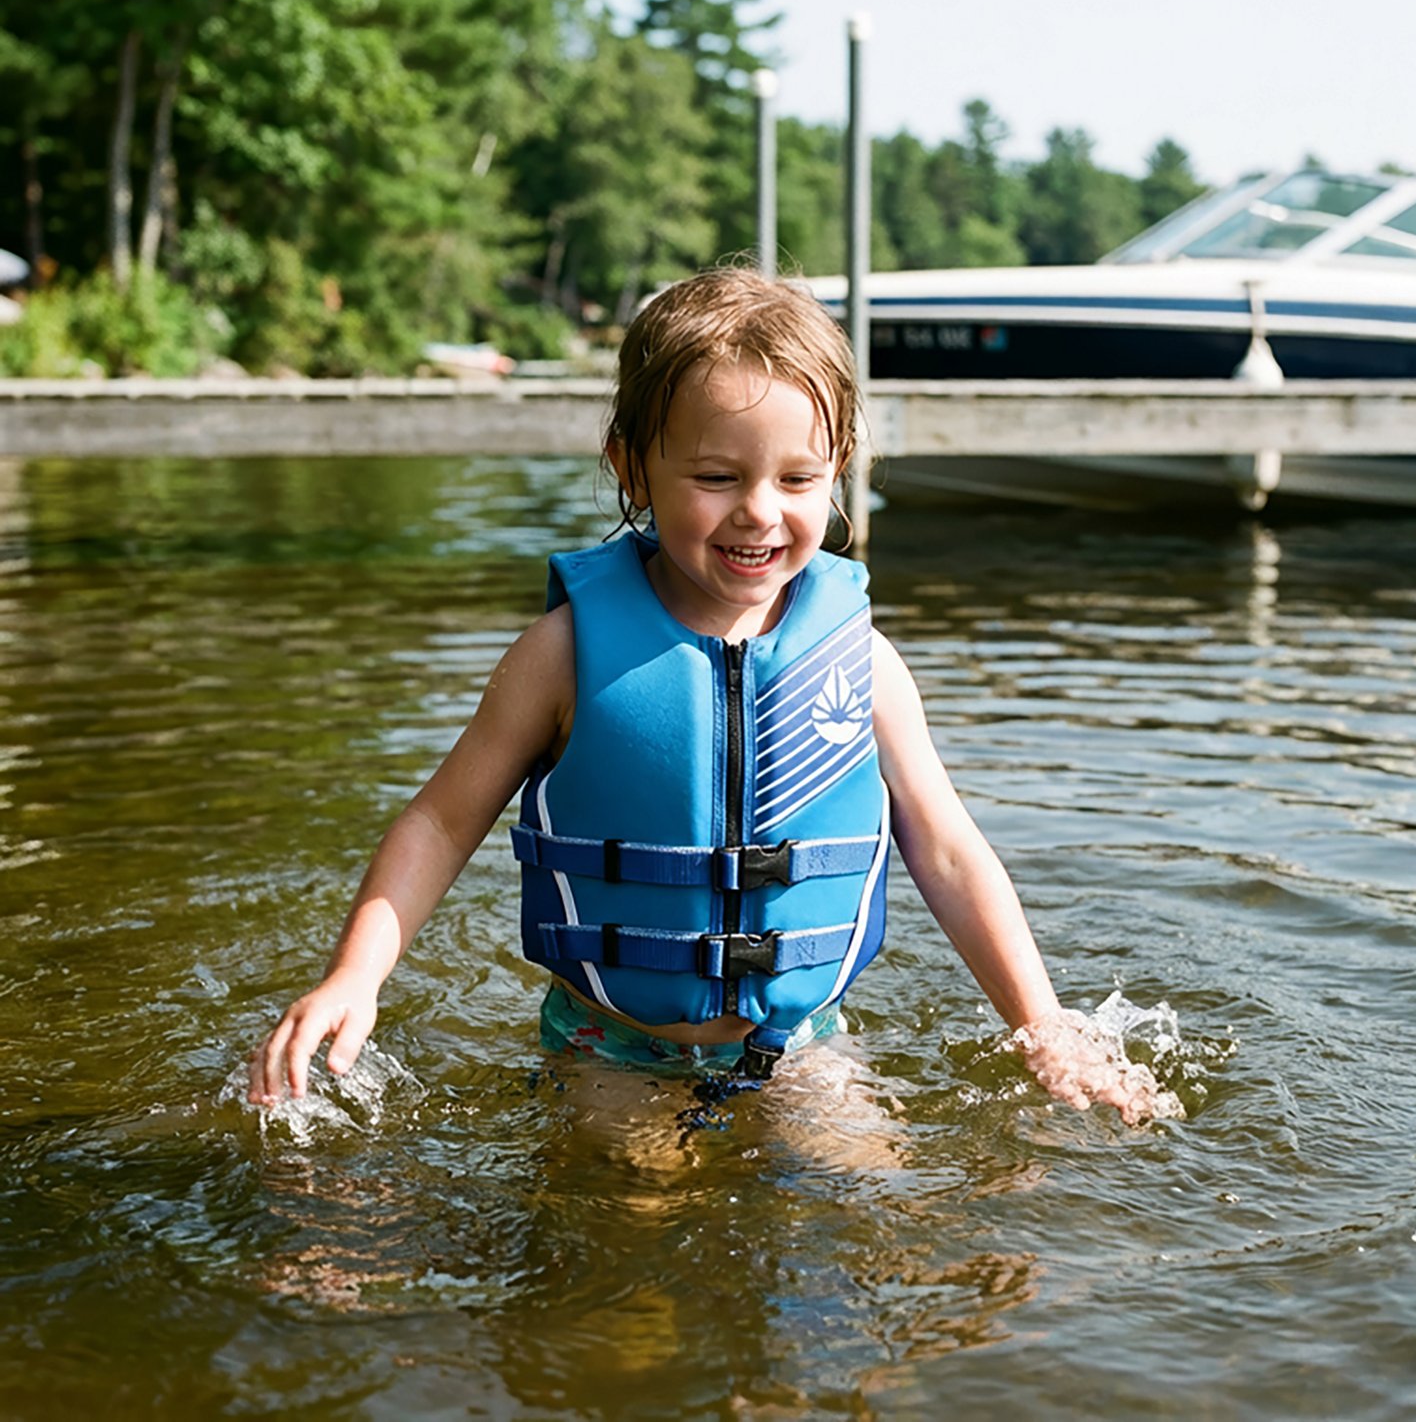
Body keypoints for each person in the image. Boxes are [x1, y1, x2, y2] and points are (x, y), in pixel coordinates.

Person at [248, 266, 1174, 1125]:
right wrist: (352, 979)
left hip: (801, 1046)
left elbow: (947, 850)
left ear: (840, 466)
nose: (760, 512)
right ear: (631, 466)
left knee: (873, 1215)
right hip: (610, 1045)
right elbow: (441, 824)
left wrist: (1044, 1025)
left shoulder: (863, 664)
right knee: (629, 1235)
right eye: (716, 477)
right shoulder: (564, 655)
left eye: (798, 478)